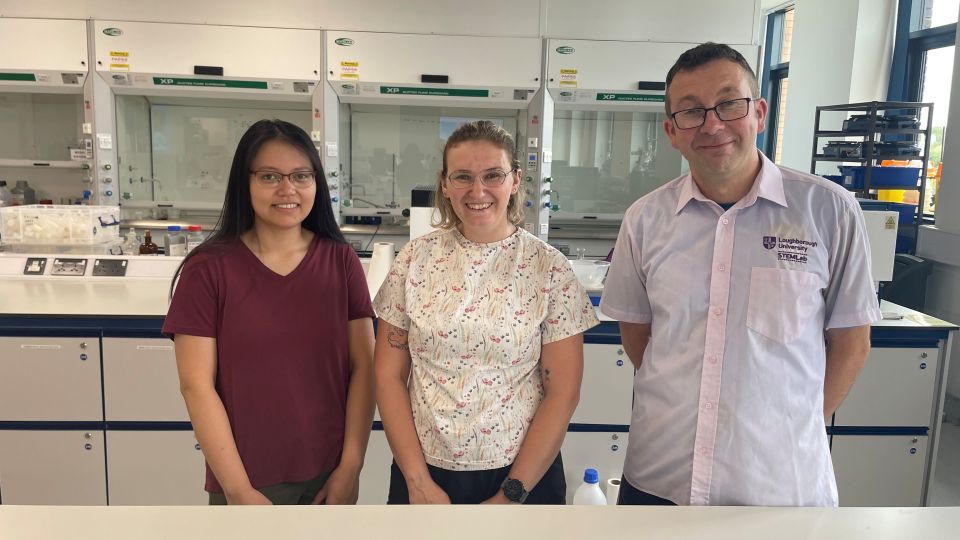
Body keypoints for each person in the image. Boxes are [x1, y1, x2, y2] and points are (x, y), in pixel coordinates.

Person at [600, 43, 882, 507]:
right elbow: (638, 334)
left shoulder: (828, 211)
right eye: (691, 111)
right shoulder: (645, 219)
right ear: (672, 131)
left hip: (781, 485)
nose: (712, 124)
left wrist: (792, 428)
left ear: (760, 113)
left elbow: (852, 341)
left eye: (729, 103)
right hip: (662, 478)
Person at [373, 120, 599, 504]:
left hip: (523, 475)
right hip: (424, 473)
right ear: (444, 184)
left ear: (515, 180)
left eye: (493, 175)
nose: (477, 191)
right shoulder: (414, 260)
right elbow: (388, 376)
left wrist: (512, 494)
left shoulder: (548, 268)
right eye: (462, 176)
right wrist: (417, 481)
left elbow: (563, 392)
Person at [162, 119, 376, 505]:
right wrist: (239, 490)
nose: (287, 189)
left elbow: (365, 366)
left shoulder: (341, 261)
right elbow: (196, 385)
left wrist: (350, 468)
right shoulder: (208, 269)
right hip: (246, 480)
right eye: (269, 176)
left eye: (301, 176)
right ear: (244, 182)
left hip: (328, 476)